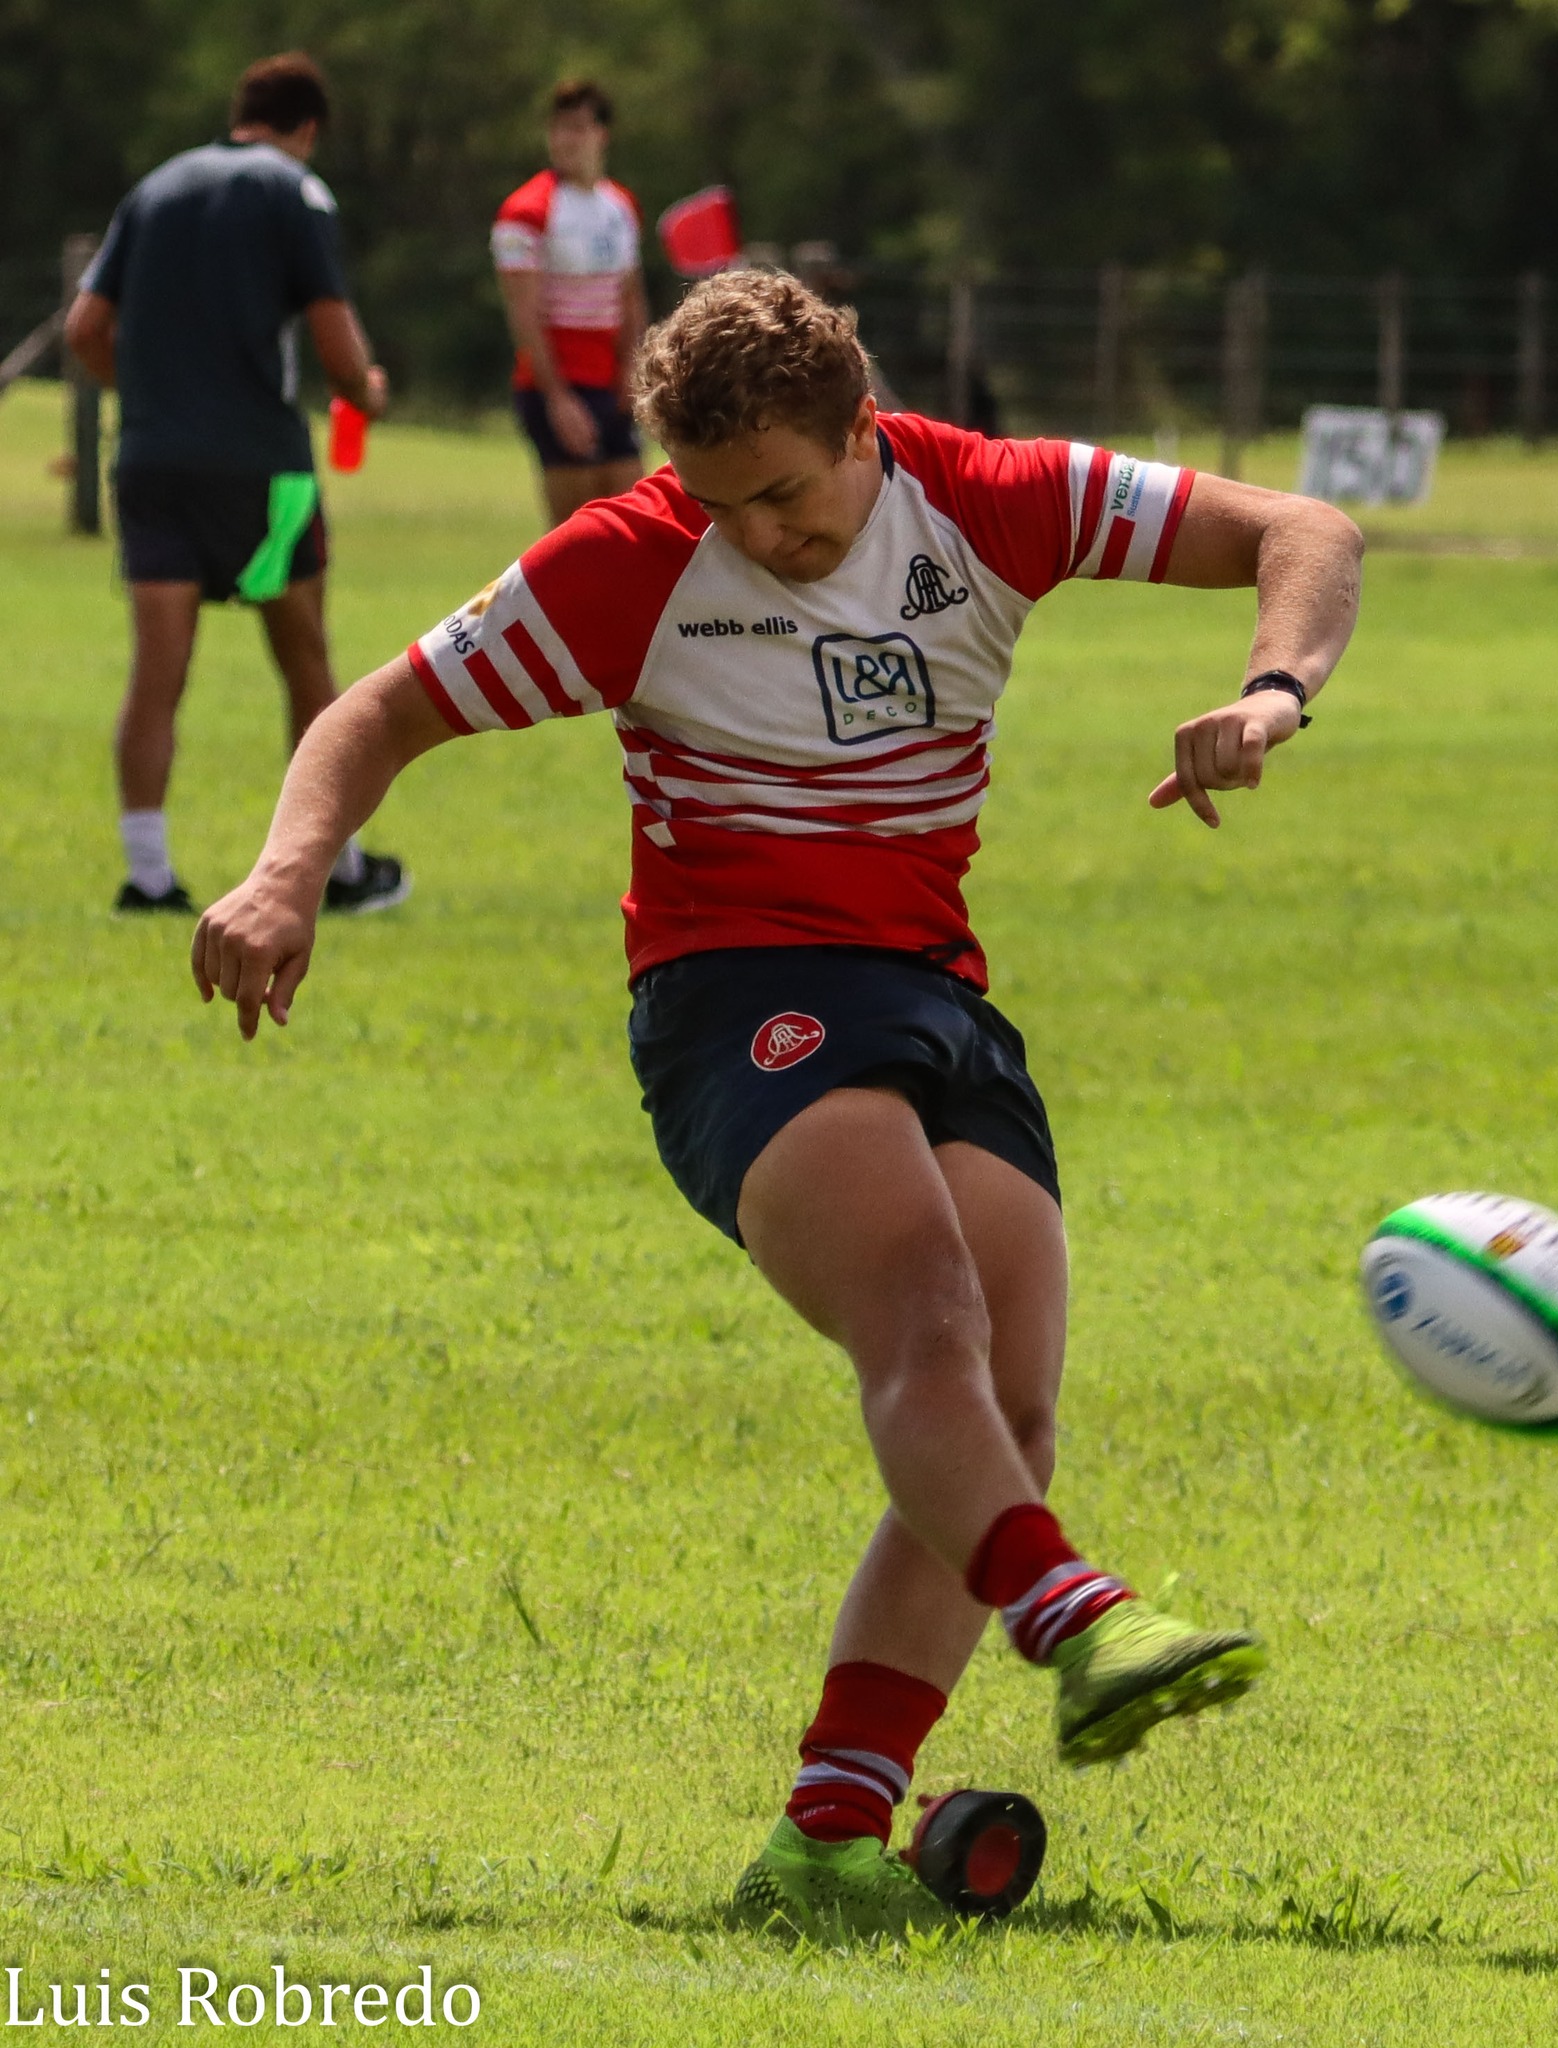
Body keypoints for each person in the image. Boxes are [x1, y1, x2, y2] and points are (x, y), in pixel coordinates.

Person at [190, 272, 1362, 1936]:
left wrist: (1270, 694)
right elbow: (379, 710)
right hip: (735, 996)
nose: (767, 534)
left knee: (1005, 1411)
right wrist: (283, 873)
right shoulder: (633, 560)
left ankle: (826, 1838)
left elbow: (1307, 530)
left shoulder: (986, 496)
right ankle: (1079, 1619)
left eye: (793, 494)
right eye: (728, 502)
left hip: (940, 994)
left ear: (863, 429)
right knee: (927, 1319)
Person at [63, 52, 409, 917]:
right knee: (305, 662)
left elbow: (84, 330)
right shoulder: (293, 192)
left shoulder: (153, 190)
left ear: (240, 113)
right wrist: (366, 389)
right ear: (308, 130)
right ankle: (338, 865)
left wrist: (151, 398)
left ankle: (148, 877)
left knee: (157, 674)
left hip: (154, 463)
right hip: (262, 472)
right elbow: (335, 343)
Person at [492, 80, 649, 528]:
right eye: (558, 129)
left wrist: (634, 368)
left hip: (612, 385)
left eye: (578, 128)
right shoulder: (525, 211)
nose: (566, 140)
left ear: (602, 135)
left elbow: (631, 295)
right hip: (560, 384)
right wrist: (557, 397)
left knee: (631, 525)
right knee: (577, 534)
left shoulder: (621, 206)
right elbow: (523, 312)